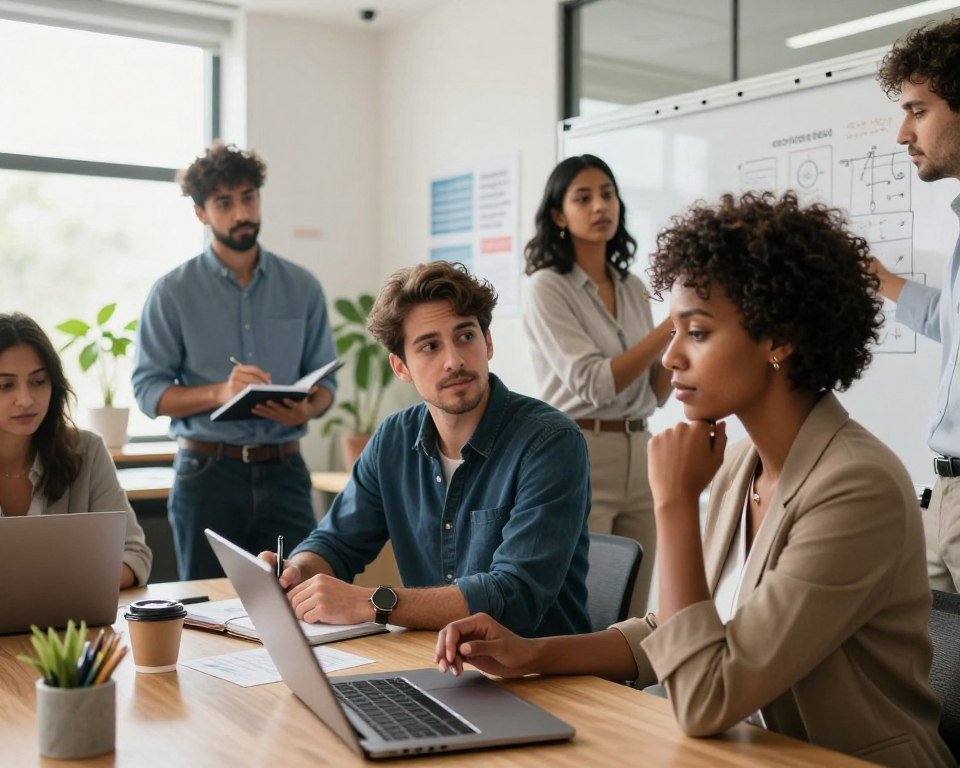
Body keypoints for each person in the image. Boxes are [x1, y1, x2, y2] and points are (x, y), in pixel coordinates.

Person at [436, 193, 952, 767]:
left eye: (698, 332)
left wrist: (676, 503)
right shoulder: (740, 461)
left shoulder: (856, 487)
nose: (671, 359)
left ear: (779, 338)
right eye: (674, 331)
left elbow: (704, 696)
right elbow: (677, 629)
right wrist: (532, 653)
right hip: (748, 753)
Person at [261, 261, 591, 637]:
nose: (454, 361)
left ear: (489, 342)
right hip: (436, 664)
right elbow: (337, 542)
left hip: (544, 679)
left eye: (466, 336)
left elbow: (514, 596)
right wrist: (297, 572)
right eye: (430, 346)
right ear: (401, 367)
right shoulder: (393, 440)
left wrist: (370, 603)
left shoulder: (549, 442)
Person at [132, 143, 337, 580]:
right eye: (224, 203)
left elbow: (326, 385)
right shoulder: (172, 292)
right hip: (207, 474)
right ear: (201, 213)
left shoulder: (302, 286)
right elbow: (149, 392)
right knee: (205, 612)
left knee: (304, 600)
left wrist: (309, 406)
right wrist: (219, 392)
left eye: (248, 197)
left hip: (285, 470)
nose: (241, 212)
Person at [523, 155, 672, 615]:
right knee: (584, 606)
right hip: (580, 449)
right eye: (582, 197)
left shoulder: (632, 286)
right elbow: (595, 384)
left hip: (641, 448)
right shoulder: (547, 286)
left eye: (607, 194)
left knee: (634, 605)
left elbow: (654, 391)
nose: (599, 206)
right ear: (557, 215)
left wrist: (690, 328)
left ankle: (621, 690)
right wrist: (672, 326)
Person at [872, 18, 960, 593]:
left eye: (919, 110)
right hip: (946, 493)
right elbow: (949, 321)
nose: (904, 133)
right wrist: (876, 279)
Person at [0, 313, 152, 588]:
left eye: (38, 381)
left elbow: (134, 555)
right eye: (5, 385)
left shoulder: (86, 450)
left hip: (72, 625)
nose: (25, 399)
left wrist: (61, 585)